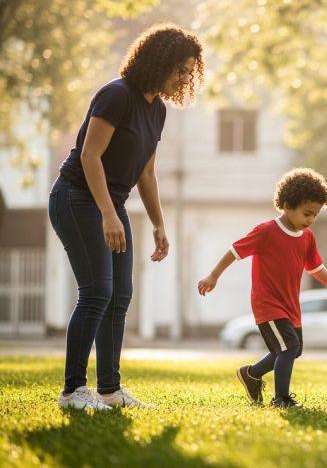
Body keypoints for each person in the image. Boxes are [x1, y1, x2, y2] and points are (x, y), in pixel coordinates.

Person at [49, 24, 204, 410]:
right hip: (76, 196)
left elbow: (146, 173)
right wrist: (107, 213)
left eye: (190, 71)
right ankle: (72, 391)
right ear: (157, 61)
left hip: (110, 203)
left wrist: (158, 224)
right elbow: (89, 156)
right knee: (97, 291)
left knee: (120, 295)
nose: (184, 78)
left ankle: (110, 389)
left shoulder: (157, 111)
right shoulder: (116, 95)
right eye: (179, 69)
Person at [197, 168, 327, 408]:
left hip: (291, 305)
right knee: (288, 346)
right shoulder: (266, 231)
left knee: (293, 350)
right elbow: (234, 251)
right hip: (268, 304)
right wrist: (213, 275)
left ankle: (251, 374)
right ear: (288, 205)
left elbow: (315, 267)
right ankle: (281, 398)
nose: (310, 220)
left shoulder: (307, 237)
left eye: (315, 215)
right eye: (307, 213)